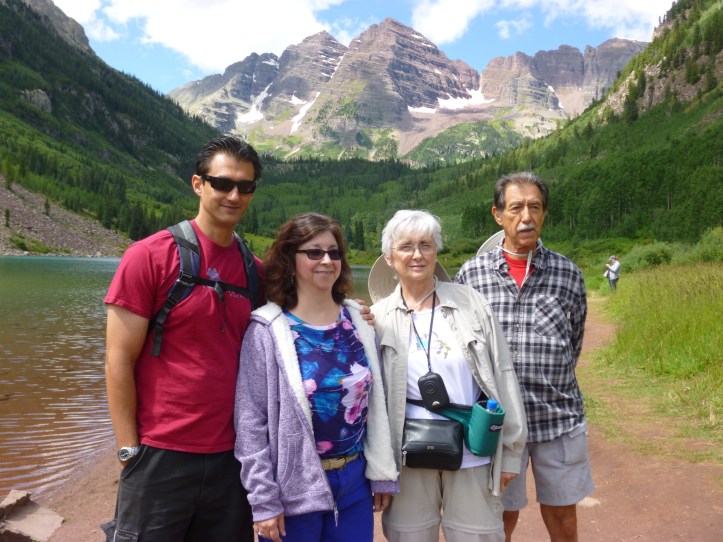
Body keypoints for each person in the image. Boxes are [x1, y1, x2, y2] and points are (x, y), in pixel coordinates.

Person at [103, 136, 263, 541]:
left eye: (245, 187)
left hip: (233, 457)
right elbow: (117, 359)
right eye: (222, 183)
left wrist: (355, 311)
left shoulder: (255, 270)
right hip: (160, 454)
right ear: (198, 184)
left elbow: (307, 314)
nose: (234, 195)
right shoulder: (150, 256)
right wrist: (128, 450)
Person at [234, 212, 398, 542]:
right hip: (294, 487)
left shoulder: (358, 320)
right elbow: (251, 422)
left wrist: (382, 473)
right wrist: (263, 501)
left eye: (334, 252)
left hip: (354, 482)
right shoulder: (266, 330)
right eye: (314, 252)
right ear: (289, 260)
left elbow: (376, 405)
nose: (326, 260)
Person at [369, 209, 527, 542]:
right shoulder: (377, 317)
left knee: (479, 536)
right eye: (406, 246)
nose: (417, 255)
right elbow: (370, 403)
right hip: (406, 456)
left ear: (436, 251)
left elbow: (502, 375)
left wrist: (511, 452)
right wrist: (379, 469)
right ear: (388, 257)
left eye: (426, 244)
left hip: (472, 449)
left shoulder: (471, 304)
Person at [455, 172, 594, 542]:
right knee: (499, 518)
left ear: (545, 213)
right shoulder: (471, 275)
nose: (526, 216)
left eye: (535, 206)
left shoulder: (568, 274)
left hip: (557, 418)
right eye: (516, 207)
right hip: (497, 423)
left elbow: (573, 342)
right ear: (498, 214)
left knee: (563, 519)